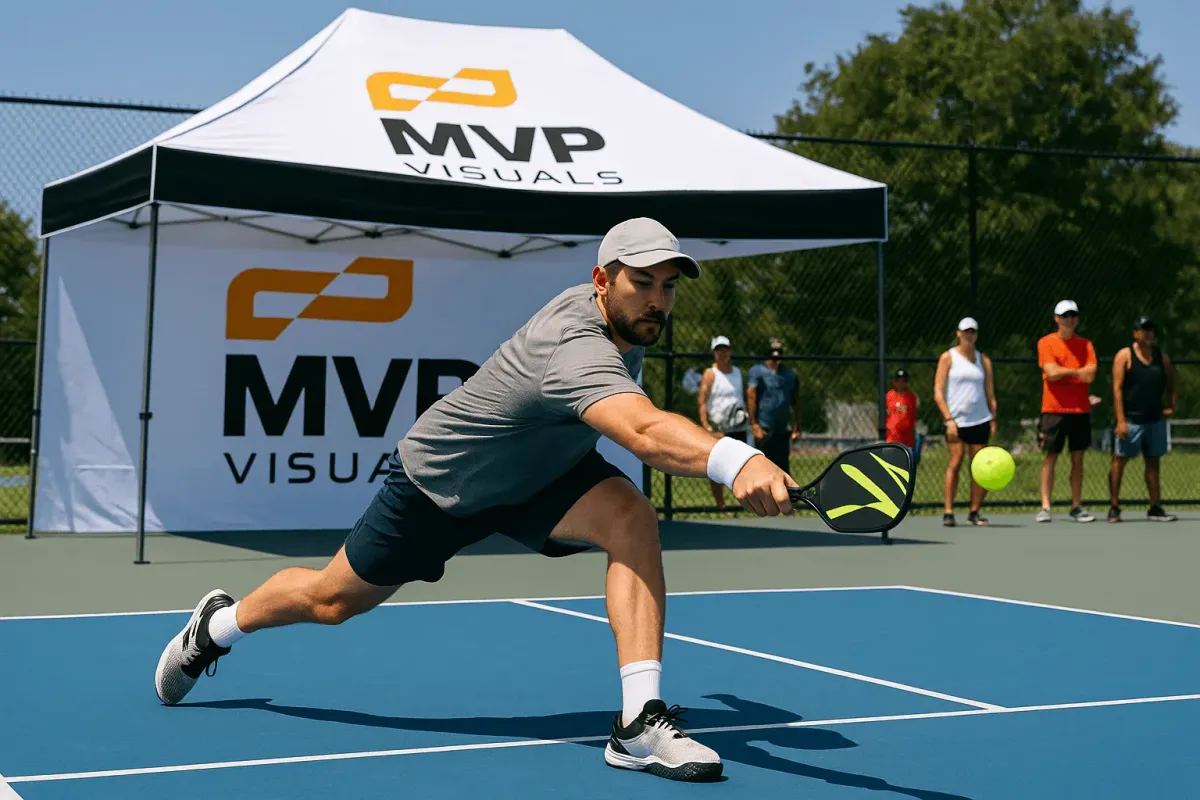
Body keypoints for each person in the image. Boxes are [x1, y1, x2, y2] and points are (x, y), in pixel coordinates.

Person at [152, 218, 797, 783]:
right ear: (602, 280)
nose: (658, 300)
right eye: (643, 283)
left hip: (540, 472)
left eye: (668, 286)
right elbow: (643, 431)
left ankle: (638, 725)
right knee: (331, 599)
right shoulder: (575, 345)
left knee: (632, 517)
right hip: (445, 482)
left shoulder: (617, 324)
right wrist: (736, 457)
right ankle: (217, 626)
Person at [1109, 316, 1179, 523]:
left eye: (1150, 329)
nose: (1147, 333)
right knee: (1119, 461)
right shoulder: (1125, 355)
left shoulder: (1160, 355)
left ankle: (1155, 507)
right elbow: (1117, 388)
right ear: (1135, 333)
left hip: (1155, 419)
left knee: (1153, 463)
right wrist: (1120, 420)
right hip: (1131, 420)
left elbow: (1172, 379)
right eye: (1143, 329)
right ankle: (1114, 507)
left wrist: (1172, 405)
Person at [1036, 300, 1098, 523]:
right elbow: (1050, 373)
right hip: (1053, 410)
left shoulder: (1086, 345)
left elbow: (1090, 374)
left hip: (1080, 410)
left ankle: (1076, 506)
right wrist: (1076, 372)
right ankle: (1045, 506)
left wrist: (1063, 372)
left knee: (1078, 459)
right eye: (1065, 316)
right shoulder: (1046, 343)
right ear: (1056, 319)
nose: (1069, 320)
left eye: (1073, 315)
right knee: (1051, 456)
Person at [933, 317, 997, 527]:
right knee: (955, 461)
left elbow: (989, 393)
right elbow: (938, 392)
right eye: (965, 331)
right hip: (956, 422)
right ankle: (948, 512)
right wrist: (949, 419)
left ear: (976, 335)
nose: (969, 335)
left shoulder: (983, 360)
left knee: (979, 467)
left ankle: (975, 511)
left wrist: (993, 419)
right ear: (958, 333)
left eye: (972, 332)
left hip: (980, 420)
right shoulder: (948, 357)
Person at [698, 335, 751, 511]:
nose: (722, 353)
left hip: (738, 426)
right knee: (716, 467)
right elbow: (702, 400)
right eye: (718, 350)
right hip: (719, 428)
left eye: (725, 349)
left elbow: (740, 398)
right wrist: (706, 426)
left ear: (730, 351)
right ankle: (721, 505)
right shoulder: (710, 374)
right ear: (714, 353)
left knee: (743, 464)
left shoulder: (736, 372)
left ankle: (744, 503)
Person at [747, 339, 800, 475]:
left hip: (782, 429)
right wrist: (754, 424)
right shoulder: (757, 371)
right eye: (772, 354)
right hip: (764, 429)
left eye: (779, 353)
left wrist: (795, 426)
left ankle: (783, 496)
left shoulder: (789, 374)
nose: (776, 357)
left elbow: (796, 401)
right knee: (763, 468)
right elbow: (751, 397)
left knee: (782, 469)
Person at [885, 368, 919, 465]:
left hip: (907, 437)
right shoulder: (890, 395)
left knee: (905, 464)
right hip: (892, 436)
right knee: (890, 463)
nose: (900, 383)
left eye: (903, 381)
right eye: (898, 380)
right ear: (894, 382)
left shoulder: (911, 396)